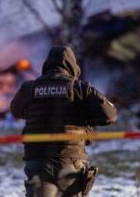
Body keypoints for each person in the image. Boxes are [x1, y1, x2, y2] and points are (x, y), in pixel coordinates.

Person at [10, 46, 117, 197]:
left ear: (47, 65)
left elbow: (15, 110)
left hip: (38, 162)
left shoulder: (29, 88)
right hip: (70, 162)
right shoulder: (81, 89)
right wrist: (86, 115)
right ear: (73, 66)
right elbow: (109, 115)